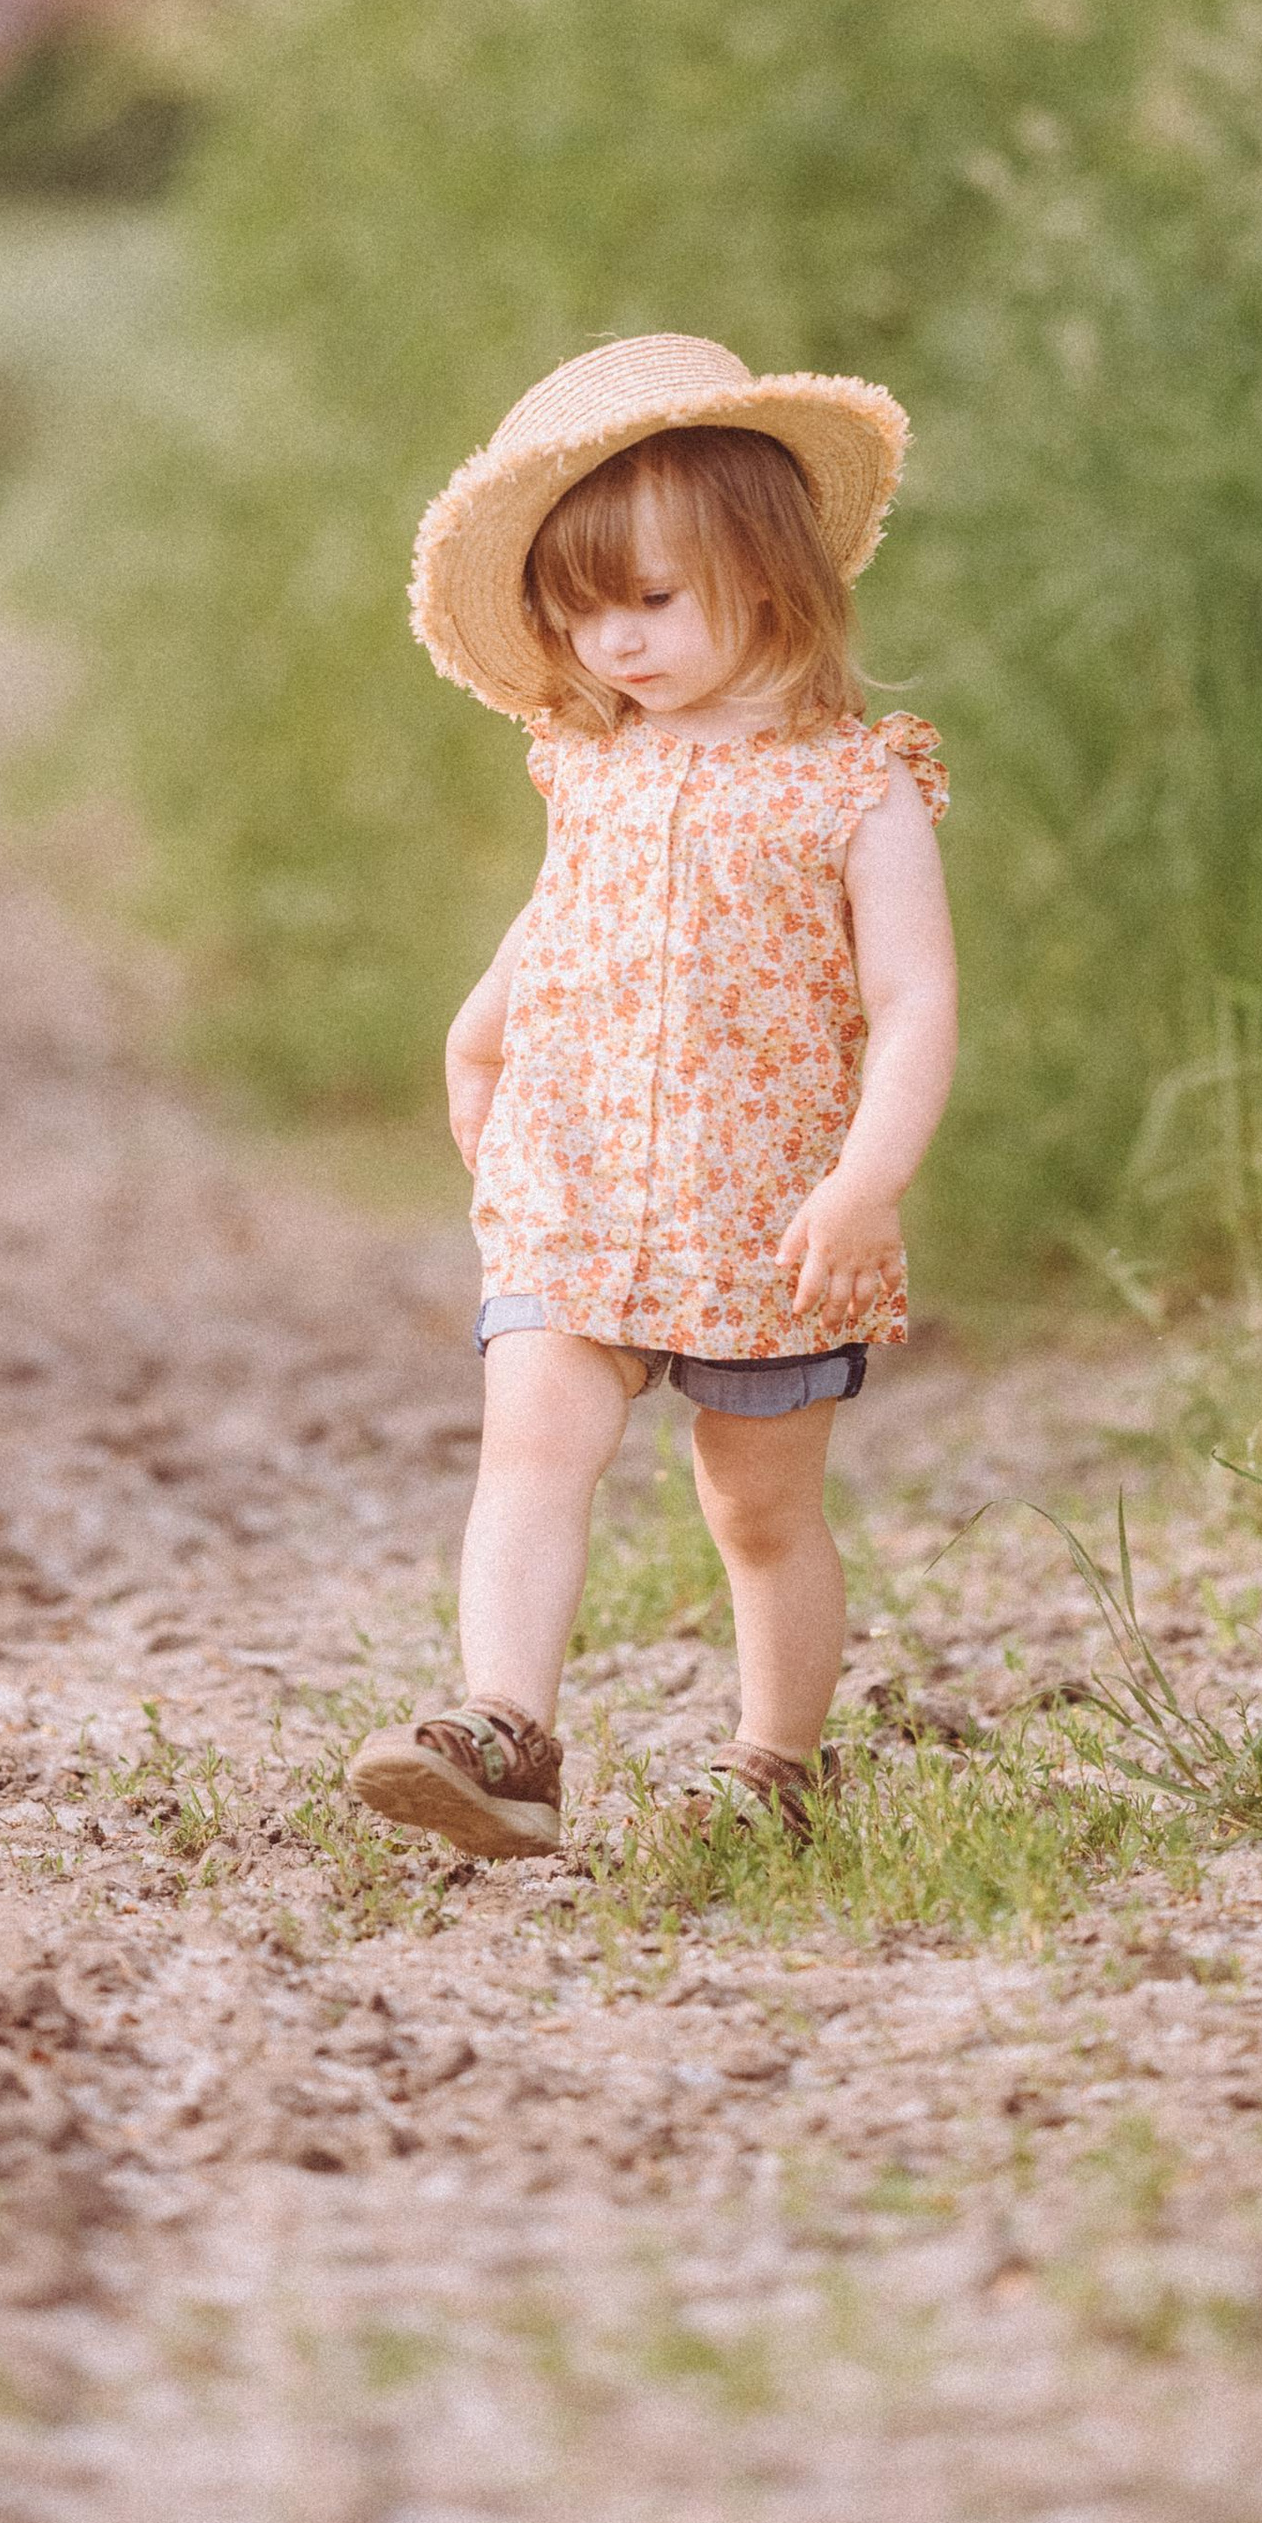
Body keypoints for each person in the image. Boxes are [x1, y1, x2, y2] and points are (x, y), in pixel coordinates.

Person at [347, 333, 958, 1859]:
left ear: (765, 571)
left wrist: (867, 1178)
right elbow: (562, 914)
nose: (612, 643)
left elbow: (915, 1003)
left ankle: (777, 1760)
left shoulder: (856, 785)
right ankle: (503, 1728)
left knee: (757, 1510)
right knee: (531, 1444)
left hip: (772, 1207)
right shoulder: (589, 762)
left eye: (649, 600)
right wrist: (479, 1029)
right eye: (581, 613)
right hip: (582, 1172)